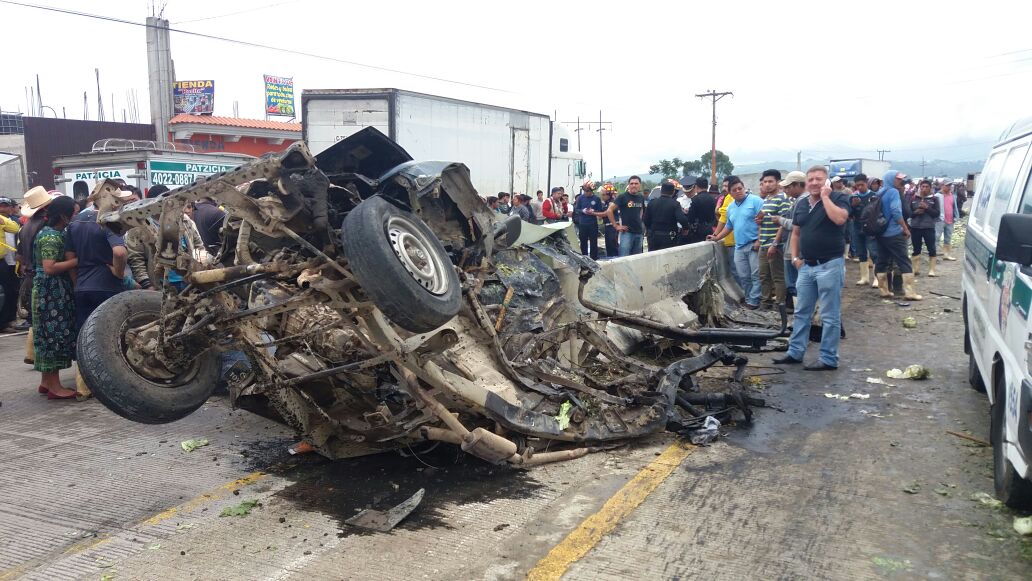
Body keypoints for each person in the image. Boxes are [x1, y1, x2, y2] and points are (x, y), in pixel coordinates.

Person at [773, 166, 849, 370]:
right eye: (811, 179)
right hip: (806, 266)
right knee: (801, 311)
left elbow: (840, 219)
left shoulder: (839, 198)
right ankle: (795, 352)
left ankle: (828, 358)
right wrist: (795, 257)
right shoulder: (801, 204)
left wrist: (825, 198)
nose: (814, 183)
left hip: (830, 265)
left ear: (827, 182)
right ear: (806, 182)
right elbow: (796, 232)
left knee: (829, 315)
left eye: (819, 179)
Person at [31, 195, 79, 399]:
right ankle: (55, 387)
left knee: (45, 336)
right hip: (51, 293)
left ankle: (45, 382)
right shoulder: (51, 236)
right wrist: (77, 260)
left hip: (48, 291)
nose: (76, 217)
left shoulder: (48, 232)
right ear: (63, 216)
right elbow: (50, 268)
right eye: (74, 214)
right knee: (53, 337)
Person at [65, 187, 131, 332]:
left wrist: (77, 283)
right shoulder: (108, 221)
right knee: (107, 333)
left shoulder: (75, 222)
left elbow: (70, 258)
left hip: (82, 286)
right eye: (118, 200)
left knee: (85, 333)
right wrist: (119, 272)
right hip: (107, 286)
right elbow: (119, 253)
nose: (119, 204)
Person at [708, 176, 764, 309]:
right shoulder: (731, 207)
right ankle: (750, 298)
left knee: (756, 274)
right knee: (743, 275)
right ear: (730, 193)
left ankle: (754, 301)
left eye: (740, 188)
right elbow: (729, 226)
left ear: (744, 188)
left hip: (754, 244)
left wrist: (759, 240)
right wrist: (716, 237)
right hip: (739, 245)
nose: (738, 191)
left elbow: (764, 221)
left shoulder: (756, 201)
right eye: (735, 190)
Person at [875, 170, 921, 300]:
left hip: (881, 233)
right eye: (898, 179)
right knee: (904, 261)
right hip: (894, 233)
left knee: (882, 261)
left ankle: (884, 290)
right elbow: (896, 212)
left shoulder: (880, 192)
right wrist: (905, 228)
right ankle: (910, 292)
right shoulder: (893, 192)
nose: (901, 181)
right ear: (890, 179)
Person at [756, 170, 790, 309]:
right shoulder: (766, 200)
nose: (767, 185)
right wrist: (759, 221)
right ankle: (766, 302)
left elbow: (784, 223)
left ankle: (779, 304)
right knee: (764, 276)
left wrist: (775, 244)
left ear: (777, 182)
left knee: (777, 276)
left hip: (775, 244)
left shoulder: (783, 198)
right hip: (764, 242)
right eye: (765, 182)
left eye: (771, 181)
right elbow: (764, 221)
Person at [773, 171, 806, 307]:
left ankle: (801, 312)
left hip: (796, 249)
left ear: (797, 185)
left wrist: (780, 220)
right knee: (794, 283)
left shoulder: (802, 201)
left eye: (788, 187)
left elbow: (797, 225)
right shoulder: (798, 201)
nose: (786, 190)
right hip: (793, 247)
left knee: (794, 284)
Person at [643, 180, 690, 251]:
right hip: (669, 237)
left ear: (661, 190)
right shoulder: (675, 204)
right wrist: (685, 229)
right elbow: (682, 219)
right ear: (673, 191)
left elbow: (646, 220)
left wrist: (650, 230)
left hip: (654, 236)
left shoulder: (652, 203)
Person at [909, 179, 940, 277]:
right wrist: (916, 212)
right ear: (919, 187)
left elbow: (936, 213)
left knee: (931, 248)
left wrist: (927, 208)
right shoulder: (913, 198)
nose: (924, 189)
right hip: (915, 227)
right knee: (916, 248)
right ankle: (915, 269)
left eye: (927, 187)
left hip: (928, 227)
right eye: (922, 187)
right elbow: (908, 213)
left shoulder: (934, 199)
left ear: (930, 188)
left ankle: (932, 270)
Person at [0, 198, 22, 331]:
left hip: (8, 261)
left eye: (5, 206)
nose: (2, 209)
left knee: (10, 291)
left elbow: (15, 228)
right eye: (0, 206)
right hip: (4, 261)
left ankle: (7, 320)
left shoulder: (9, 221)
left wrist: (2, 220)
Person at [611, 176, 646, 256]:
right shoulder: (622, 197)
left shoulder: (641, 197)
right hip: (627, 233)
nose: (634, 185)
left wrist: (639, 221)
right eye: (632, 183)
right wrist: (616, 226)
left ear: (640, 185)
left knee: (637, 258)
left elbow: (641, 209)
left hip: (639, 232)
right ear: (629, 185)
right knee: (624, 258)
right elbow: (609, 210)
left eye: (636, 183)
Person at [573, 181, 605, 259]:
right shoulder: (580, 198)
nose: (586, 192)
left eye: (587, 191)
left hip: (593, 224)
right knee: (583, 242)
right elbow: (576, 210)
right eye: (584, 191)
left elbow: (600, 210)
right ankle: (584, 258)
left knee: (593, 242)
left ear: (591, 190)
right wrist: (583, 211)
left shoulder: (596, 199)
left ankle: (594, 258)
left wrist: (593, 211)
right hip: (583, 224)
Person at [683, 176, 717, 244]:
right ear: (707, 187)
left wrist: (686, 212)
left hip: (697, 232)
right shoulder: (713, 199)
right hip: (710, 230)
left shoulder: (695, 199)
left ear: (696, 186)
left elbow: (691, 218)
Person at [936, 182, 960, 261]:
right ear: (942, 186)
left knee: (948, 238)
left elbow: (955, 207)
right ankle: (933, 255)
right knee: (936, 237)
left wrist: (956, 216)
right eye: (947, 185)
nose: (949, 187)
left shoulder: (952, 196)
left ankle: (946, 255)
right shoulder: (937, 196)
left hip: (950, 220)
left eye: (950, 186)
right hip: (940, 220)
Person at [598, 184, 620, 257]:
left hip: (612, 227)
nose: (602, 196)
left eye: (604, 195)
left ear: (609, 195)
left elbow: (605, 214)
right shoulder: (606, 203)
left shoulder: (612, 203)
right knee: (609, 246)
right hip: (608, 227)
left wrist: (593, 213)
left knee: (613, 246)